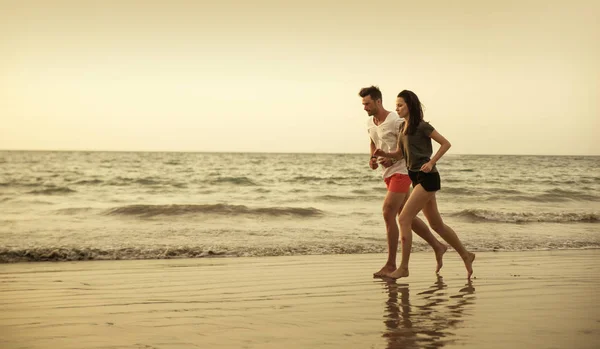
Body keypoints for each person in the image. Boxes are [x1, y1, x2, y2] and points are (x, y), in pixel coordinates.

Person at [373, 90, 476, 279]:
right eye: (396, 105)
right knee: (437, 225)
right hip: (416, 178)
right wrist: (385, 155)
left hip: (428, 178)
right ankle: (466, 255)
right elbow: (400, 154)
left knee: (404, 218)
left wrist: (431, 162)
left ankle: (403, 268)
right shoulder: (403, 127)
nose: (397, 108)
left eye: (400, 105)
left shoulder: (422, 126)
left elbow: (445, 143)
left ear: (410, 105)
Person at [359, 86, 448, 278]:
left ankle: (392, 265)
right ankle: (438, 246)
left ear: (378, 101)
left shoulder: (395, 120)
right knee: (405, 216)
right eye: (363, 104)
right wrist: (372, 158)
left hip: (402, 171)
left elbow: (407, 146)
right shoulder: (370, 122)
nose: (364, 107)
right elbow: (373, 141)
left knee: (388, 212)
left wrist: (398, 160)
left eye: (367, 103)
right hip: (388, 173)